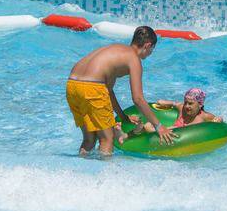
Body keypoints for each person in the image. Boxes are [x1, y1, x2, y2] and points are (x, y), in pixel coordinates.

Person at [65, 26, 174, 156]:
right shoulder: (133, 59)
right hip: (92, 87)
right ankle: (105, 176)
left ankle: (78, 170)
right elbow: (138, 99)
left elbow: (108, 90)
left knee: (89, 139)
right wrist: (159, 126)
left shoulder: (115, 50)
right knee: (107, 139)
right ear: (147, 45)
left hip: (72, 85)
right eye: (152, 49)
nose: (151, 52)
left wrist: (122, 116)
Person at [133, 88, 223, 135]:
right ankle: (136, 130)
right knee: (147, 126)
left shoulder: (204, 116)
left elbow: (219, 121)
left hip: (185, 136)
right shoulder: (182, 107)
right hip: (171, 131)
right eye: (185, 102)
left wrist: (218, 120)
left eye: (190, 104)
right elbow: (174, 104)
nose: (187, 106)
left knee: (148, 128)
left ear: (200, 105)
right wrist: (164, 102)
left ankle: (141, 129)